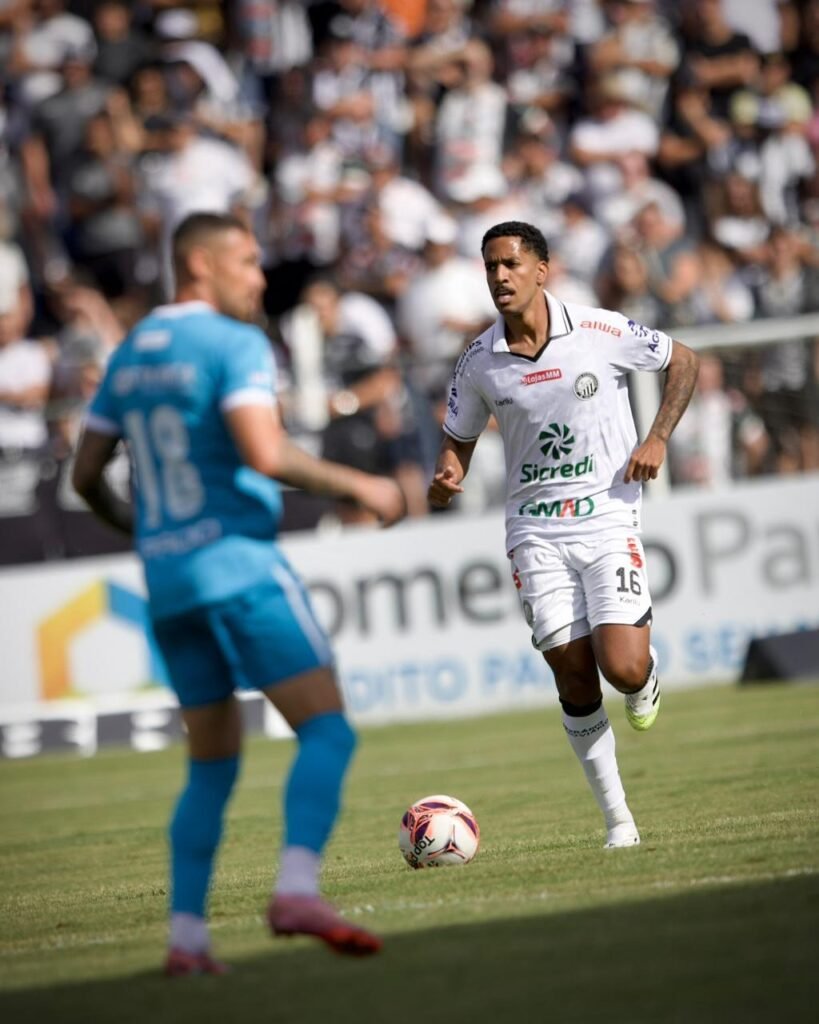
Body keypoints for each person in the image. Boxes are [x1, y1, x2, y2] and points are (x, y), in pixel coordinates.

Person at [71, 211, 405, 975]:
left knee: (212, 767)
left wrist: (146, 529)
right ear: (200, 266)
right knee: (327, 731)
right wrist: (362, 486)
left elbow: (85, 475)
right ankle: (296, 890)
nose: (259, 279)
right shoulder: (233, 342)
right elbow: (264, 450)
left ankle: (187, 937)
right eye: (248, 262)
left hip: (167, 582)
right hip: (239, 566)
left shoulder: (130, 352)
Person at [428, 221, 699, 848]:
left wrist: (657, 437)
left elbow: (683, 360)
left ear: (542, 270)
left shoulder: (599, 330)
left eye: (511, 264)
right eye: (490, 266)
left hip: (606, 517)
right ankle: (619, 822)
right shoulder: (478, 360)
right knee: (574, 677)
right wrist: (447, 475)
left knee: (622, 668)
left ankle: (644, 676)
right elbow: (457, 441)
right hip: (534, 533)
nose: (500, 276)